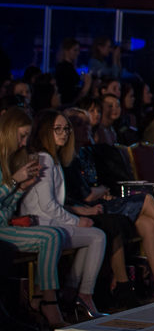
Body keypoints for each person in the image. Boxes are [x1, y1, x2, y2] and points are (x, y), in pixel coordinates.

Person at [63, 108, 154, 298]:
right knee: (146, 199)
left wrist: (102, 192)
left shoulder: (86, 153)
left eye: (87, 123)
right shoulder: (67, 159)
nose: (86, 128)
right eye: (79, 124)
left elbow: (97, 187)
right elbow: (86, 195)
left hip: (100, 203)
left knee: (148, 223)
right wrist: (102, 191)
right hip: (83, 210)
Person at [20, 109, 107, 319]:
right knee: (97, 236)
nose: (64, 133)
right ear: (45, 131)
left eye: (66, 129)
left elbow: (54, 203)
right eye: (57, 129)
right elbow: (48, 205)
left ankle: (72, 293)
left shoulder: (53, 159)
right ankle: (82, 295)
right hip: (41, 224)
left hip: (50, 221)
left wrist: (79, 216)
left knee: (94, 235)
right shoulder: (44, 159)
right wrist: (76, 221)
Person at [0, 108, 68, 329]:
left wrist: (21, 188)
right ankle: (48, 301)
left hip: (5, 225)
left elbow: (7, 208)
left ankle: (41, 297)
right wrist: (13, 182)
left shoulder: (10, 158)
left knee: (54, 235)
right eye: (21, 136)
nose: (23, 143)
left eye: (26, 137)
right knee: (51, 236)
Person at [55, 38, 92, 107]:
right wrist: (86, 85)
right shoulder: (64, 68)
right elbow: (68, 91)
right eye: (75, 50)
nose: (78, 53)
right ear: (66, 51)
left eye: (78, 50)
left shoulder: (70, 67)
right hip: (68, 103)